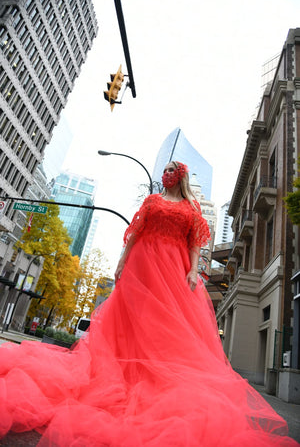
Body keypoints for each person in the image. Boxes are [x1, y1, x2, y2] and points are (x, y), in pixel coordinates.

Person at [0, 161, 298, 447]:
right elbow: (136, 231)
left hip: (172, 266)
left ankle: (153, 381)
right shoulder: (152, 201)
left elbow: (195, 241)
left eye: (172, 170)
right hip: (142, 262)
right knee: (132, 320)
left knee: (164, 326)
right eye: (165, 169)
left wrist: (194, 269)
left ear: (180, 176)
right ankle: (119, 376)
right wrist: (121, 260)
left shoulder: (190, 208)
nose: (166, 173)